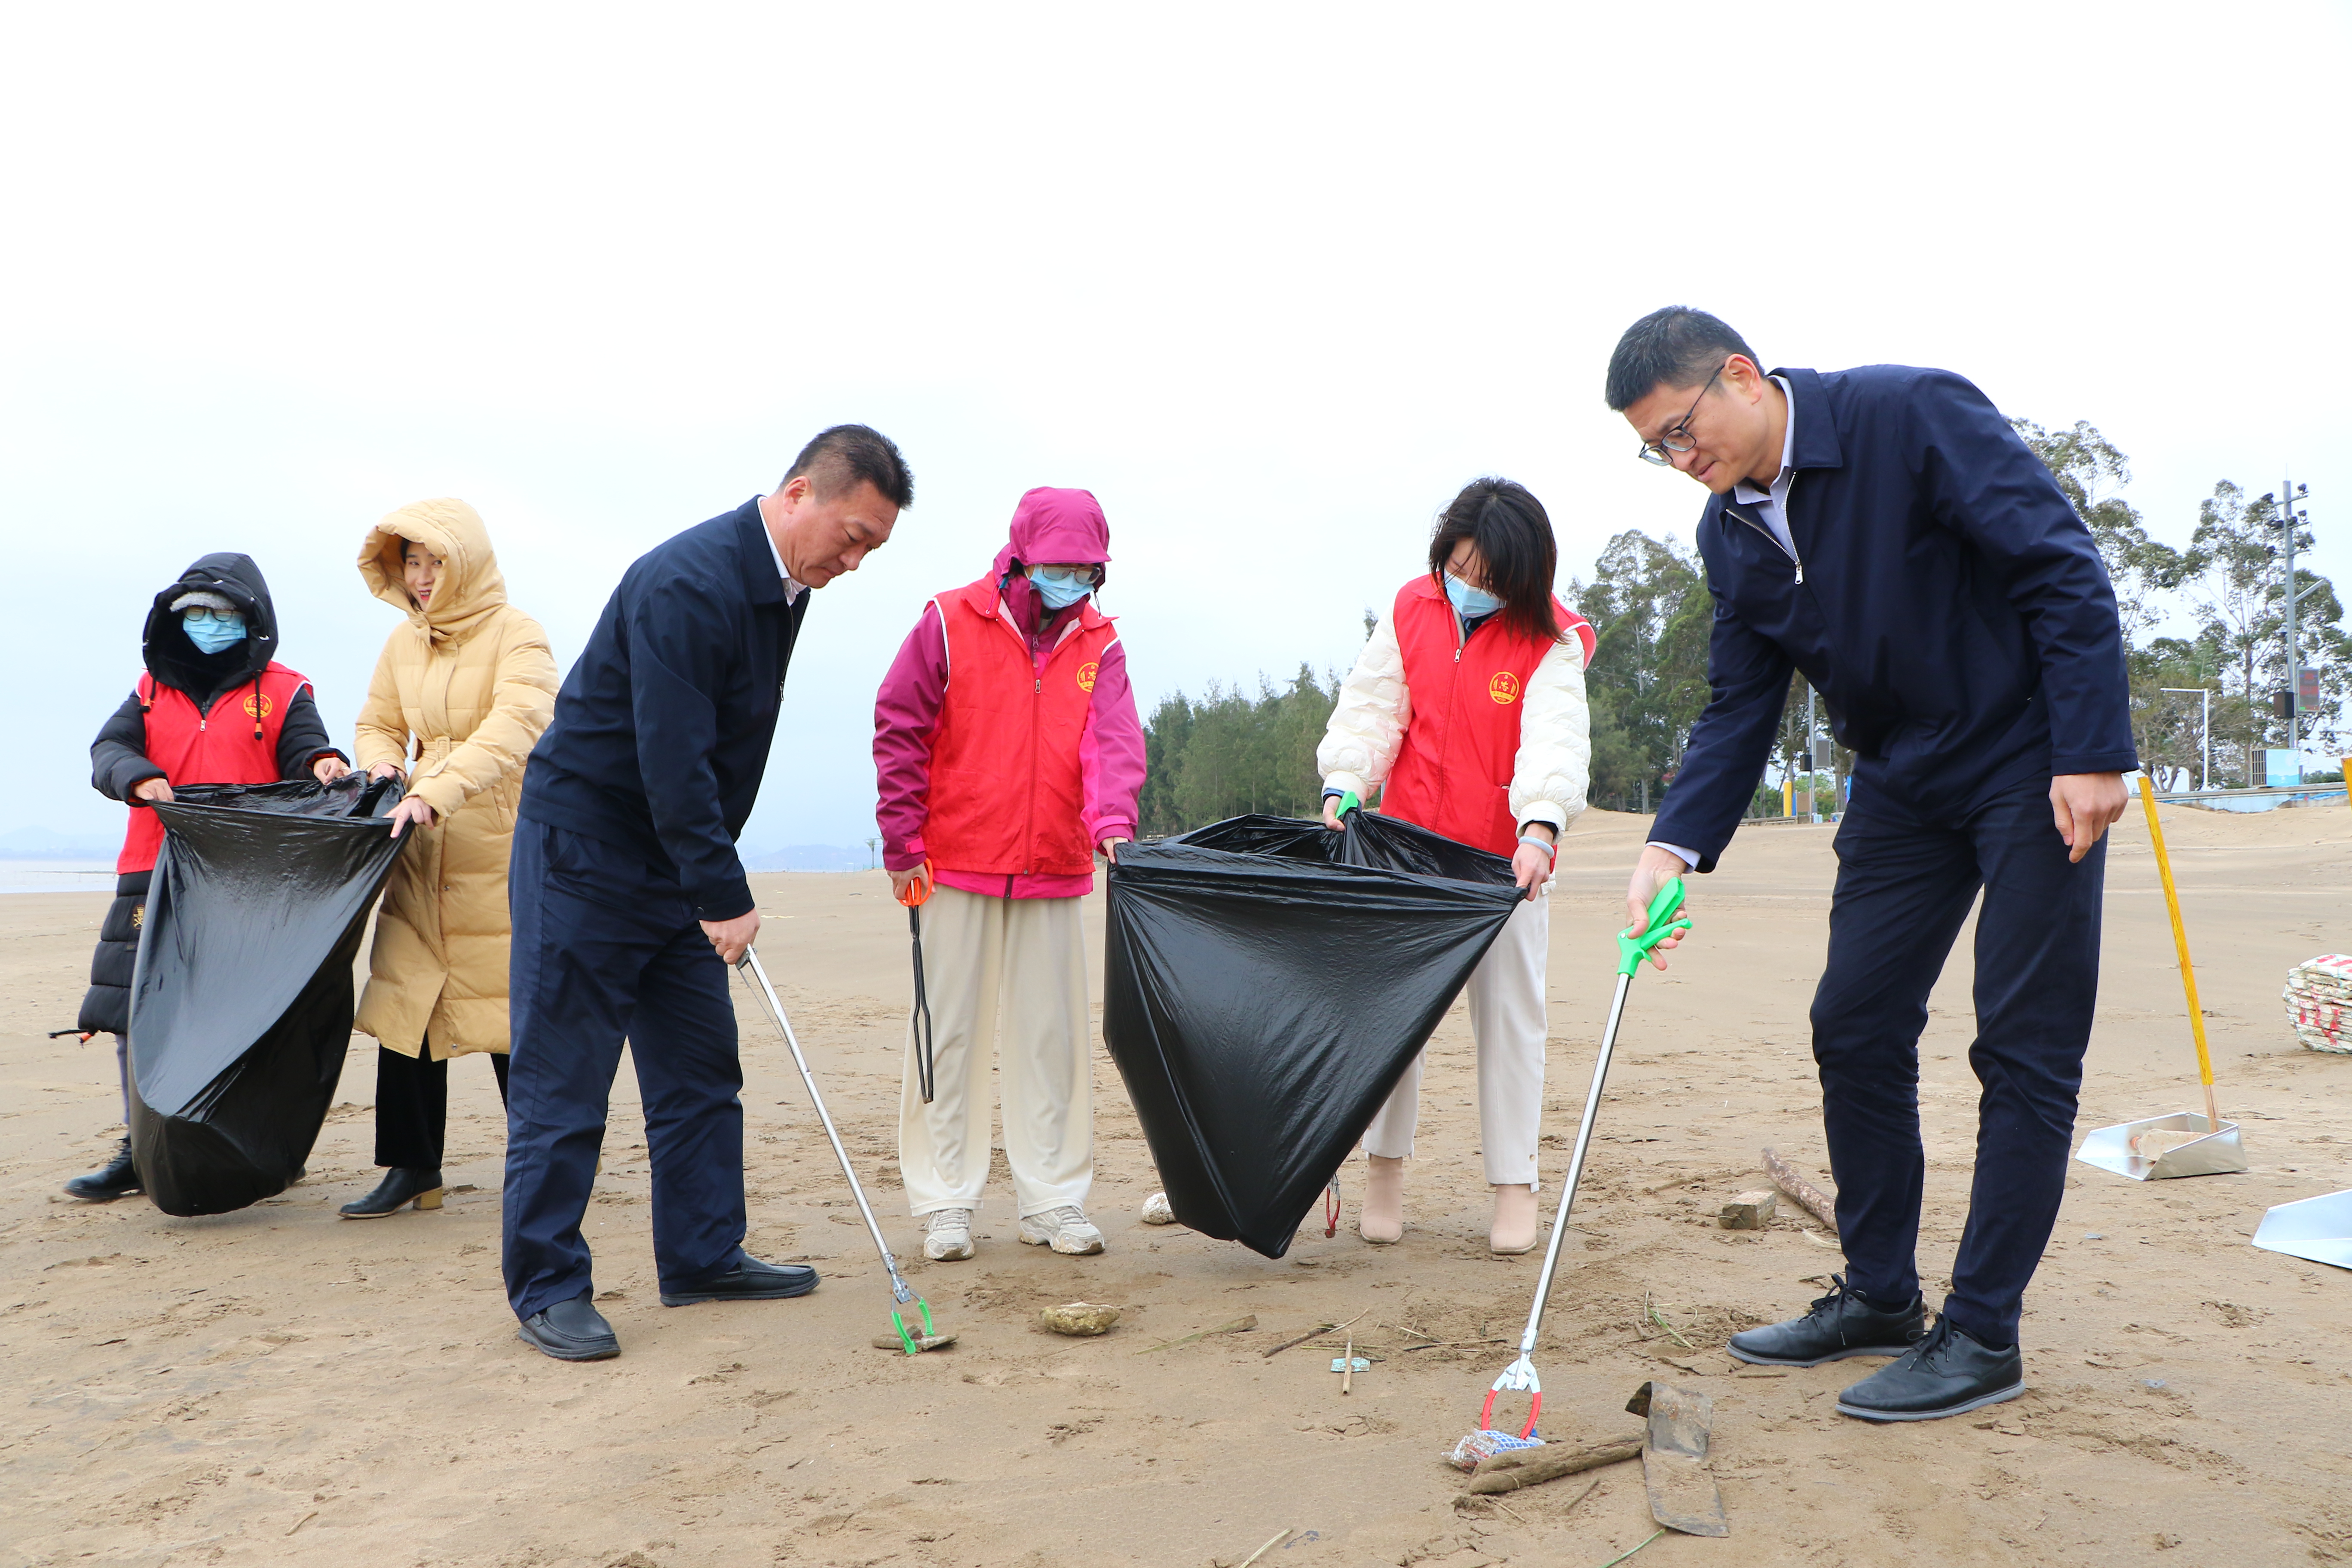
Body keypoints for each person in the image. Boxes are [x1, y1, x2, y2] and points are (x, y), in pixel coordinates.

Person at [1606, 307, 2133, 1423]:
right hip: (1900, 779)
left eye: (1681, 431)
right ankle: (1883, 1295)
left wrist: (2093, 749)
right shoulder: (1730, 534)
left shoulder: (1907, 414)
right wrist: (1670, 846)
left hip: (2029, 754)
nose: (1677, 459)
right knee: (1853, 1024)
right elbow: (1739, 705)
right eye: (1655, 449)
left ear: (1742, 377)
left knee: (2025, 1047)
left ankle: (1983, 1334)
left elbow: (2061, 566)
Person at [501, 425, 913, 1362]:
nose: (854, 561)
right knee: (566, 1083)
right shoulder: (690, 581)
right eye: (852, 535)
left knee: (698, 1071)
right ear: (800, 492)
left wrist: (702, 877)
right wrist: (723, 890)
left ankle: (701, 1254)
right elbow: (672, 755)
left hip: (674, 862)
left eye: (873, 549)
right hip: (588, 852)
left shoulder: (787, 585)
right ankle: (548, 1286)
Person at [1314, 478, 1594, 1255]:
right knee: (1391, 1024)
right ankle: (1384, 1175)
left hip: (1504, 869)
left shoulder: (1553, 640)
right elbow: (1374, 706)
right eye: (1458, 569)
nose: (1469, 588)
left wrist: (1539, 828)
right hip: (1405, 857)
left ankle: (1513, 1189)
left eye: (1489, 577)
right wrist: (1347, 779)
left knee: (1511, 1025)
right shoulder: (1411, 608)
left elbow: (1555, 741)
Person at [872, 487, 1145, 1263]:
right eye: (1059, 567)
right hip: (951, 863)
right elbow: (900, 726)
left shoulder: (1102, 644)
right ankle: (945, 1199)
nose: (1073, 582)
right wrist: (902, 842)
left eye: (1087, 570)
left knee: (1049, 1040)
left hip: (1054, 865)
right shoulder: (950, 621)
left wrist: (1112, 826)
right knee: (945, 1032)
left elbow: (1112, 744)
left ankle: (1053, 1199)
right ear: (1023, 557)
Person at [70, 554, 350, 1199]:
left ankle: (261, 1144)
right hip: (153, 868)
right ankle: (138, 1150)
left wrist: (328, 763)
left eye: (223, 614)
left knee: (252, 1015)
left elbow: (308, 750)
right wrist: (136, 777)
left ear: (251, 620)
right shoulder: (149, 689)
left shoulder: (284, 689)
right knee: (140, 1011)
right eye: (195, 612)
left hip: (247, 879)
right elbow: (107, 751)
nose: (208, 624)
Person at [345, 500, 558, 1218]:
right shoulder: (403, 643)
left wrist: (437, 788)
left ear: (466, 561)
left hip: (500, 839)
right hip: (417, 841)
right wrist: (382, 772)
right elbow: (378, 723)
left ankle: (547, 1167)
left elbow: (518, 726)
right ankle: (412, 1168)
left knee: (508, 1009)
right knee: (408, 1000)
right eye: (412, 561)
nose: (424, 576)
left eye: (437, 561)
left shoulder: (518, 633)